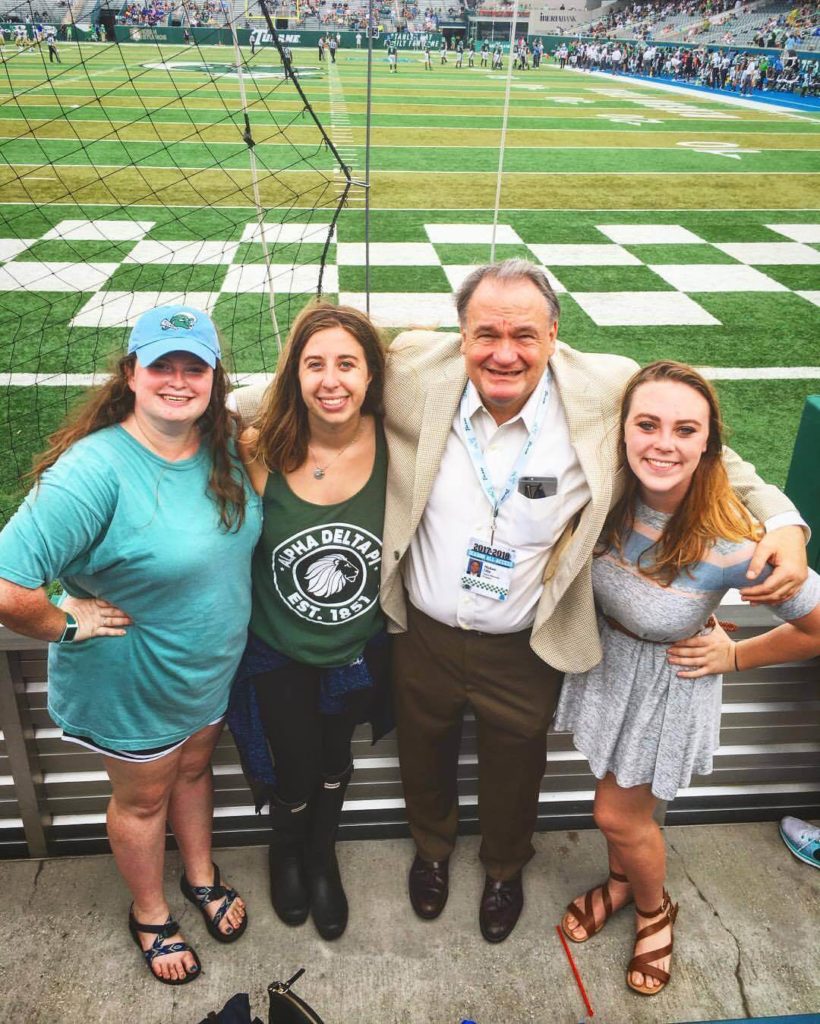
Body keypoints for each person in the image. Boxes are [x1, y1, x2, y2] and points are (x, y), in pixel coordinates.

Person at [378, 260, 808, 944]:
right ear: (459, 336)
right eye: (485, 332)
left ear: (555, 336)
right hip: (423, 627)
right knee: (422, 751)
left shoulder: (606, 387)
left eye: (524, 333)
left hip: (526, 637)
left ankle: (503, 868)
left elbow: (712, 453)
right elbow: (310, 380)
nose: (504, 351)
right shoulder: (412, 369)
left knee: (516, 766)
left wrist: (784, 523)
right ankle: (431, 851)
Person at [0, 306, 262, 984]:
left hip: (206, 674)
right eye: (162, 366)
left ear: (213, 378)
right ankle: (150, 912)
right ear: (131, 374)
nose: (178, 381)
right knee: (143, 801)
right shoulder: (95, 471)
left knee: (195, 770)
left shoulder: (225, 441)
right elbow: (6, 585)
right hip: (132, 686)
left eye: (193, 368)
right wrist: (66, 619)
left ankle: (200, 877)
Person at [554, 361, 820, 995]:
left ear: (709, 443)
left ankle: (654, 911)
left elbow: (817, 627)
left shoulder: (730, 540)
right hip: (610, 672)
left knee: (618, 816)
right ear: (622, 432)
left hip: (666, 689)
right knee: (624, 807)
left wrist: (736, 657)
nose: (663, 444)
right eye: (647, 425)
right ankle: (622, 883)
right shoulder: (606, 496)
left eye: (685, 429)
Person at [233, 303, 390, 941]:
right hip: (279, 653)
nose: (331, 380)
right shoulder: (258, 446)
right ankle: (286, 845)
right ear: (291, 375)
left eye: (347, 364)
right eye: (314, 363)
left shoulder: (399, 443)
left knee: (335, 762)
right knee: (293, 765)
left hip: (357, 649)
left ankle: (322, 854)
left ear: (372, 375)